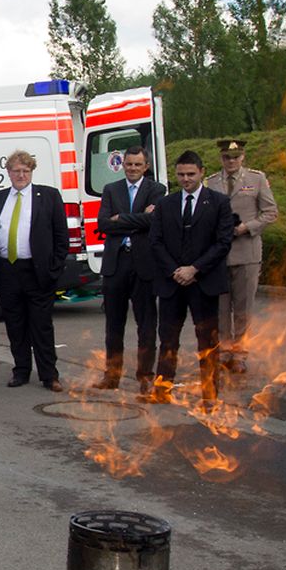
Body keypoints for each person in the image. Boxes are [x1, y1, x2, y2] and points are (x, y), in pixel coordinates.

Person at [150, 150, 233, 405]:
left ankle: (210, 393)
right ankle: (162, 388)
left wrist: (195, 269)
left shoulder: (218, 202)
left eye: (190, 174)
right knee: (168, 339)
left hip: (203, 282)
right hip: (172, 283)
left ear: (201, 172)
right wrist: (175, 271)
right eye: (181, 174)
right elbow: (156, 241)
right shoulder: (165, 204)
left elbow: (223, 242)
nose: (185, 179)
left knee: (207, 341)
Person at [0, 149, 70, 392]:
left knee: (41, 326)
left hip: (37, 271)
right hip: (7, 271)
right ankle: (21, 370)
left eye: (25, 170)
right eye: (16, 170)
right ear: (8, 172)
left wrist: (54, 269)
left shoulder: (49, 196)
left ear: (32, 171)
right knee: (15, 325)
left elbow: (61, 236)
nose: (21, 175)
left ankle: (49, 375)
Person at [94, 145, 166, 395]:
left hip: (143, 265)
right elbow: (103, 224)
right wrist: (138, 219)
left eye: (137, 164)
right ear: (122, 165)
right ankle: (111, 375)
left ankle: (145, 376)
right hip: (116, 264)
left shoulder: (157, 190)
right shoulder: (111, 189)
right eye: (129, 164)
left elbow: (154, 221)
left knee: (146, 325)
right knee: (114, 325)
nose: (132, 168)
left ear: (146, 166)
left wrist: (121, 219)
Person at [204, 138, 277, 374]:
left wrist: (247, 227)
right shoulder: (211, 182)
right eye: (227, 157)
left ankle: (240, 354)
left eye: (235, 157)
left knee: (244, 309)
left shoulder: (256, 179)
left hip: (247, 252)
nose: (231, 161)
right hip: (219, 255)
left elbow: (270, 212)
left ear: (243, 157)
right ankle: (224, 351)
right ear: (221, 158)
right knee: (221, 310)